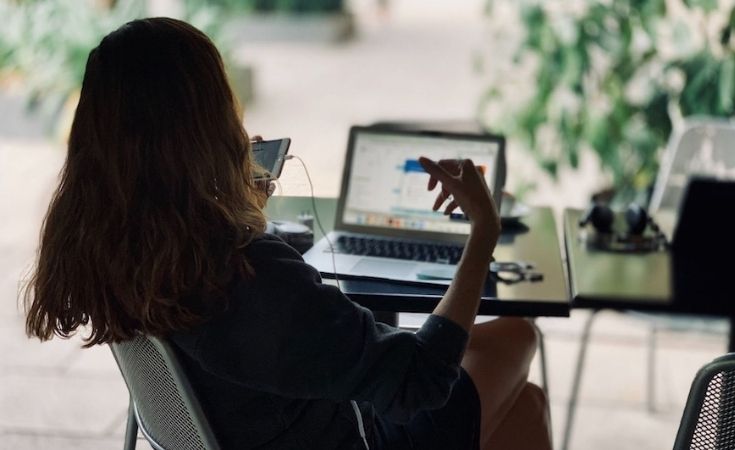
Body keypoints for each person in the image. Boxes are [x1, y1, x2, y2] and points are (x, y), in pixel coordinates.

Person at [23, 18, 550, 450]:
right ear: (206, 125)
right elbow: (420, 383)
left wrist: (236, 207)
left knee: (526, 408)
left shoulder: (111, 244)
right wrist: (482, 232)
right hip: (345, 438)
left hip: (263, 422)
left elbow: (262, 338)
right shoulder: (244, 274)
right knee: (519, 336)